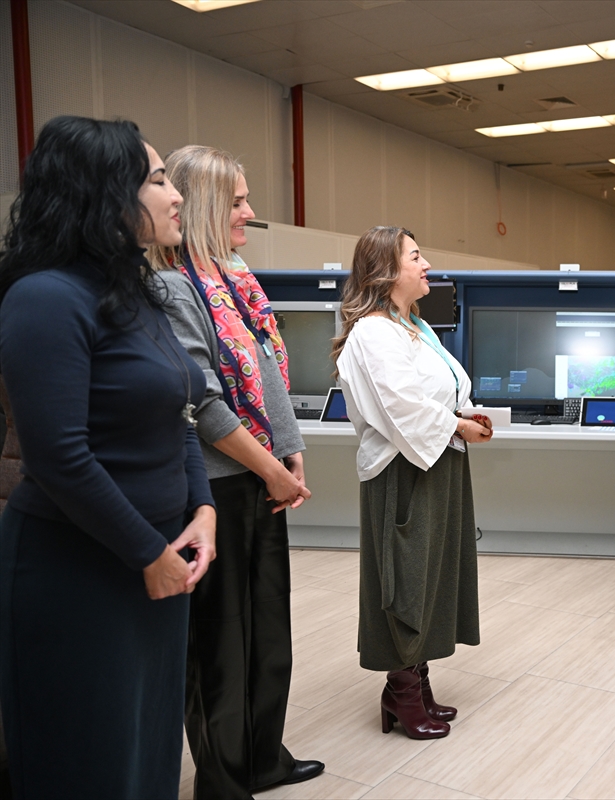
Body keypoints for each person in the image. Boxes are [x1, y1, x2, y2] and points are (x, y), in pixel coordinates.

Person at [0, 115, 216, 797]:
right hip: (81, 568)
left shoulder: (136, 294)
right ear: (103, 194)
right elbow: (58, 456)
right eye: (157, 180)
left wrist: (203, 507)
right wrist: (147, 553)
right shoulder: (45, 297)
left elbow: (180, 412)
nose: (176, 195)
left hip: (158, 563)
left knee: (147, 754)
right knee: (88, 761)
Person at [150, 145, 323, 797]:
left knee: (268, 629)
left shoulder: (232, 279)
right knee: (220, 645)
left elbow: (267, 370)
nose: (250, 212)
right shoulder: (172, 287)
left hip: (261, 473)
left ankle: (263, 758)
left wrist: (289, 448)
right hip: (216, 486)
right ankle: (223, 781)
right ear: (202, 206)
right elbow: (202, 401)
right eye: (238, 202)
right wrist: (271, 467)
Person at [334, 226, 491, 741]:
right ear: (386, 269)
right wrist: (458, 426)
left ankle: (415, 683)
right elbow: (400, 407)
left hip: (438, 460)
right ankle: (402, 691)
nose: (427, 266)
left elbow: (439, 392)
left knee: (433, 576)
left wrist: (466, 414)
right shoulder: (373, 332)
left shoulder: (415, 326)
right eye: (416, 257)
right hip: (403, 469)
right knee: (403, 579)